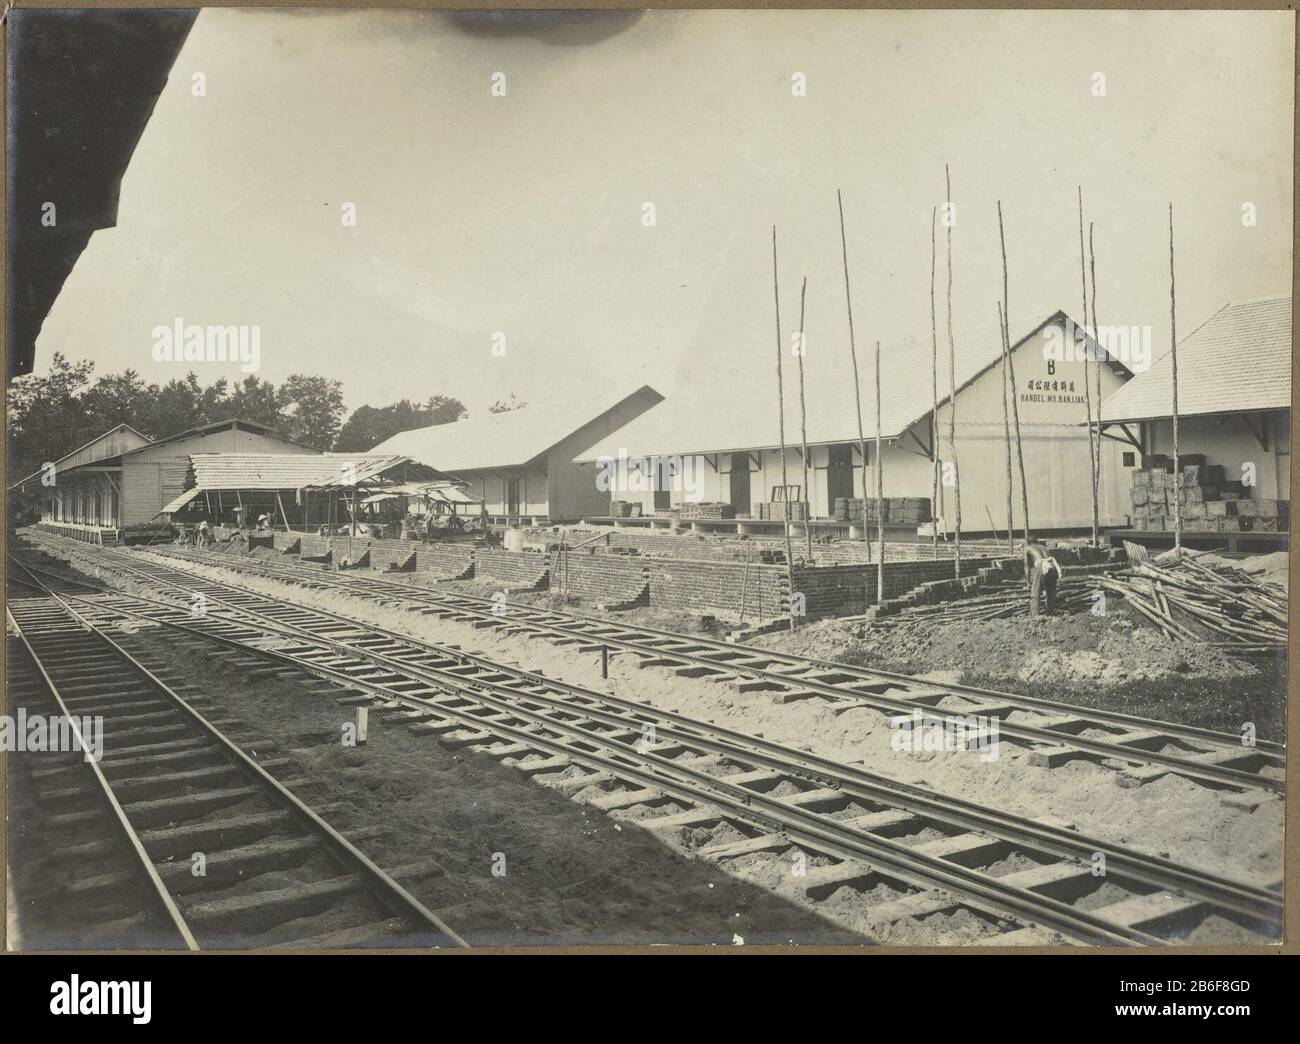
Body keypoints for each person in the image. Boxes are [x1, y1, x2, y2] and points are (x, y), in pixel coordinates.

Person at [1024, 541, 1062, 618]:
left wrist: (1028, 582)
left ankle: (1035, 615)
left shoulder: (1027, 548)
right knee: (1050, 591)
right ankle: (1050, 612)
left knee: (1035, 591)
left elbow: (1026, 567)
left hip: (1042, 565)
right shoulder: (1044, 547)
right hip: (1052, 565)